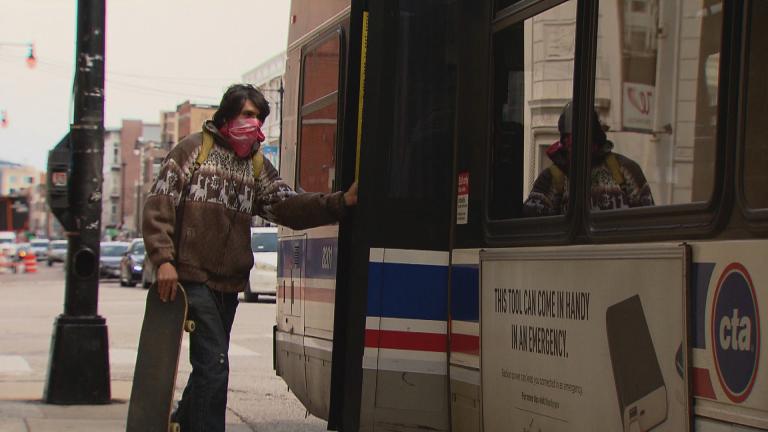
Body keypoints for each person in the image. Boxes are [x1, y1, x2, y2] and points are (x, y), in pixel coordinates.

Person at [142, 83, 357, 432]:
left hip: (228, 284)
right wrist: (163, 259)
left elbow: (287, 204)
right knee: (214, 364)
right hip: (193, 277)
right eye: (247, 114)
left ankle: (181, 422)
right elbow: (159, 204)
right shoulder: (192, 151)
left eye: (258, 117)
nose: (253, 123)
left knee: (211, 364)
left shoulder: (255, 165)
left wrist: (340, 202)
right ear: (227, 116)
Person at [523, 102, 653, 217]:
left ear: (594, 137)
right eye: (568, 137)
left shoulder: (625, 169)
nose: (574, 143)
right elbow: (532, 224)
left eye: (582, 135)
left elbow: (647, 221)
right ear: (563, 140)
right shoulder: (551, 177)